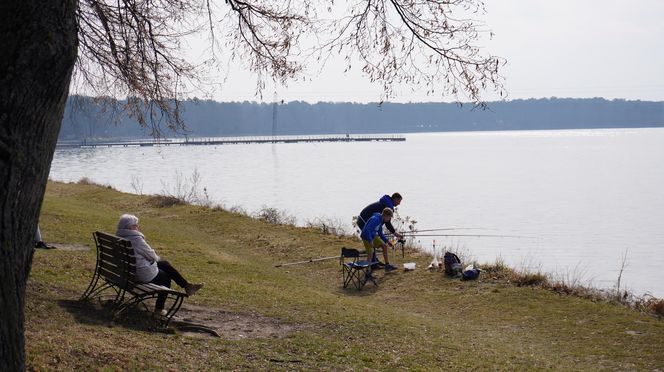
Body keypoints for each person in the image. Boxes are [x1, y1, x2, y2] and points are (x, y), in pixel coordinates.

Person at [115, 214, 203, 315]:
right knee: (165, 277)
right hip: (140, 275)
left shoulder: (119, 236)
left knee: (164, 264)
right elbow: (153, 256)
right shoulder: (136, 239)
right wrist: (154, 259)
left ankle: (187, 286)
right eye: (136, 225)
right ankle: (159, 309)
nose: (138, 227)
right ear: (130, 227)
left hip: (126, 273)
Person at [357, 193, 403, 265]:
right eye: (399, 201)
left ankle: (375, 261)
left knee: (378, 242)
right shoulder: (387, 207)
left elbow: (381, 231)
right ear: (395, 199)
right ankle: (373, 263)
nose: (399, 203)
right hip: (363, 220)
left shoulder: (386, 203)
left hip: (364, 219)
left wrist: (387, 241)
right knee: (371, 241)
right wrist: (395, 233)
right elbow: (388, 223)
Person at [360, 208, 397, 274]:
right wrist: (370, 240)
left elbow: (380, 233)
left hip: (373, 236)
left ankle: (387, 265)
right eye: (389, 217)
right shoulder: (376, 219)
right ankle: (367, 272)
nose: (389, 219)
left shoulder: (381, 220)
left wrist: (388, 242)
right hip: (366, 236)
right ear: (385, 215)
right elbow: (367, 229)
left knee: (384, 246)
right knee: (370, 254)